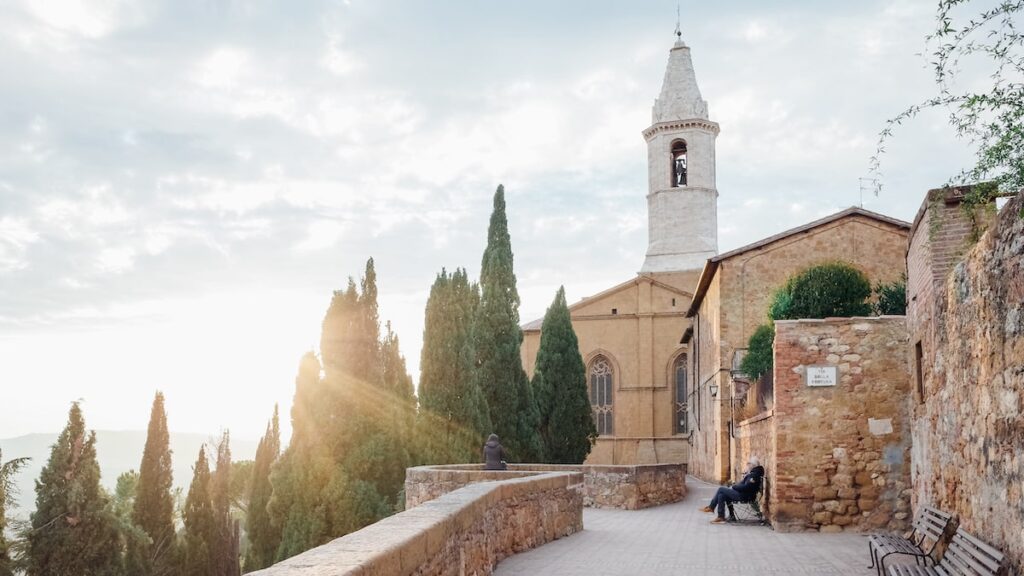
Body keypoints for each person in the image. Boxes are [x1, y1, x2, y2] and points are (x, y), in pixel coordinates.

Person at [701, 455, 764, 524]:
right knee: (722, 495)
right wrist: (736, 486)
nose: (747, 465)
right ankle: (723, 516)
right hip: (743, 494)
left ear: (753, 465)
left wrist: (734, 487)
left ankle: (711, 507)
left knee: (721, 489)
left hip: (744, 496)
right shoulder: (753, 474)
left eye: (748, 464)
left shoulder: (754, 475)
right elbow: (745, 485)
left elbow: (747, 487)